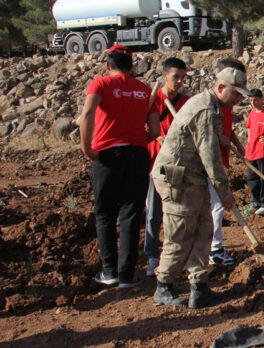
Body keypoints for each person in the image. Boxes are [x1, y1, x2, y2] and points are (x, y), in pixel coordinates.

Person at [151, 67, 247, 308]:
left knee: (204, 226)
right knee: (180, 231)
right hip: (176, 175)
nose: (239, 100)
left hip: (193, 176)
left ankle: (199, 287)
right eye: (236, 94)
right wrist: (225, 193)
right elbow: (211, 158)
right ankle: (163, 286)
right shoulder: (204, 109)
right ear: (221, 88)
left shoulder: (213, 107)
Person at [78, 45, 159, 289]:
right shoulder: (144, 91)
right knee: (131, 215)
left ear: (107, 65)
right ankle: (126, 275)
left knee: (104, 214)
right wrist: (135, 142)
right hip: (137, 155)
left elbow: (88, 113)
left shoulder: (100, 84)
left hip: (107, 155)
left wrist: (86, 147)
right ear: (131, 66)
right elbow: (154, 131)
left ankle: (109, 271)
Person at [144, 57, 190, 277]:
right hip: (154, 162)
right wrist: (157, 139)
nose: (180, 81)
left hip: (175, 164)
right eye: (176, 77)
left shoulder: (186, 102)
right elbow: (139, 129)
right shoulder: (151, 99)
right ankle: (152, 255)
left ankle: (174, 256)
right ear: (164, 76)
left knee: (175, 211)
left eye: (183, 77)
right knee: (153, 212)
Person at [207, 58, 247, 267]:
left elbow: (228, 129)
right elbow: (203, 140)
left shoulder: (227, 103)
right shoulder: (211, 105)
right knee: (217, 206)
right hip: (209, 162)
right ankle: (214, 250)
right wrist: (217, 136)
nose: (238, 98)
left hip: (222, 158)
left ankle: (210, 248)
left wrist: (239, 148)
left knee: (216, 206)